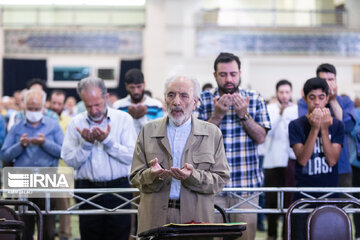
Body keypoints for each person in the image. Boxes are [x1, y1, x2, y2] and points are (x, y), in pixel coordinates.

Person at [130, 76, 230, 235]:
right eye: (171, 95)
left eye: (184, 96)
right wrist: (152, 175)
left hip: (196, 218)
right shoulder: (148, 131)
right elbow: (135, 177)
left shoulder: (212, 134)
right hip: (154, 217)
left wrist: (193, 176)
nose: (176, 101)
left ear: (195, 102)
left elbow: (220, 180)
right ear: (164, 100)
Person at [196, 52, 271, 240]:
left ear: (240, 73)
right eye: (223, 75)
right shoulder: (203, 100)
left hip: (245, 187)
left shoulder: (254, 98)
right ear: (215, 76)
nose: (229, 79)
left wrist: (243, 114)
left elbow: (261, 137)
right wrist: (217, 115)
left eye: (233, 74)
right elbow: (196, 143)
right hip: (211, 187)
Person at [61, 77, 137, 240]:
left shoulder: (124, 120)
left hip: (119, 188)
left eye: (98, 105)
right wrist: (86, 145)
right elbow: (69, 161)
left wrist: (107, 141)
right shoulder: (76, 123)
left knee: (120, 235)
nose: (94, 110)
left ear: (106, 97)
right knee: (89, 235)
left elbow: (132, 157)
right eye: (89, 106)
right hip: (87, 189)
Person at [1, 89, 64, 240]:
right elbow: (4, 154)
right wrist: (20, 145)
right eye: (30, 109)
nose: (33, 112)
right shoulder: (17, 127)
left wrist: (45, 143)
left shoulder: (53, 125)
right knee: (24, 227)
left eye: (36, 109)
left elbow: (63, 152)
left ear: (43, 108)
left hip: (48, 179)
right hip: (21, 180)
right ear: (25, 107)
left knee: (48, 228)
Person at [289, 77, 344, 240]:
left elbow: (332, 160)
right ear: (305, 98)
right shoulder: (296, 125)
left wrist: (324, 130)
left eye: (321, 97)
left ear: (327, 98)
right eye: (312, 97)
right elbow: (302, 160)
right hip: (303, 196)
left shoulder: (337, 125)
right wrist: (314, 129)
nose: (317, 102)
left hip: (330, 195)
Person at [298, 63, 355, 188]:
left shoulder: (346, 102)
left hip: (342, 166)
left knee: (344, 206)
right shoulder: (305, 102)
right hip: (314, 166)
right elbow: (308, 125)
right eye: (324, 80)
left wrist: (333, 100)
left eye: (331, 80)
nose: (328, 84)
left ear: (336, 81)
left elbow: (347, 127)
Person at [262, 79, 298, 240]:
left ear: (291, 93)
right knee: (271, 201)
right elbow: (266, 133)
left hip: (289, 162)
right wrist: (281, 114)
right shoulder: (269, 108)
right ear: (277, 93)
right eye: (281, 92)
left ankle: (286, 235)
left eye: (287, 92)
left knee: (288, 202)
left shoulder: (296, 110)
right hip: (271, 161)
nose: (284, 95)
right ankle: (271, 234)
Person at [49, 90, 72, 240]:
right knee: (46, 209)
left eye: (59, 103)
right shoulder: (42, 120)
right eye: (54, 103)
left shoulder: (69, 121)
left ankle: (65, 236)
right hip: (46, 170)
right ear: (49, 103)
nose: (56, 106)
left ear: (63, 105)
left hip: (64, 171)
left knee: (65, 209)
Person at [113, 68, 164, 134]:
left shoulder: (157, 105)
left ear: (144, 84)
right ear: (126, 86)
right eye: (132, 87)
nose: (136, 91)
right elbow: (116, 131)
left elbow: (159, 132)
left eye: (139, 87)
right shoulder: (118, 106)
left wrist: (142, 118)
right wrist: (129, 117)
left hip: (148, 144)